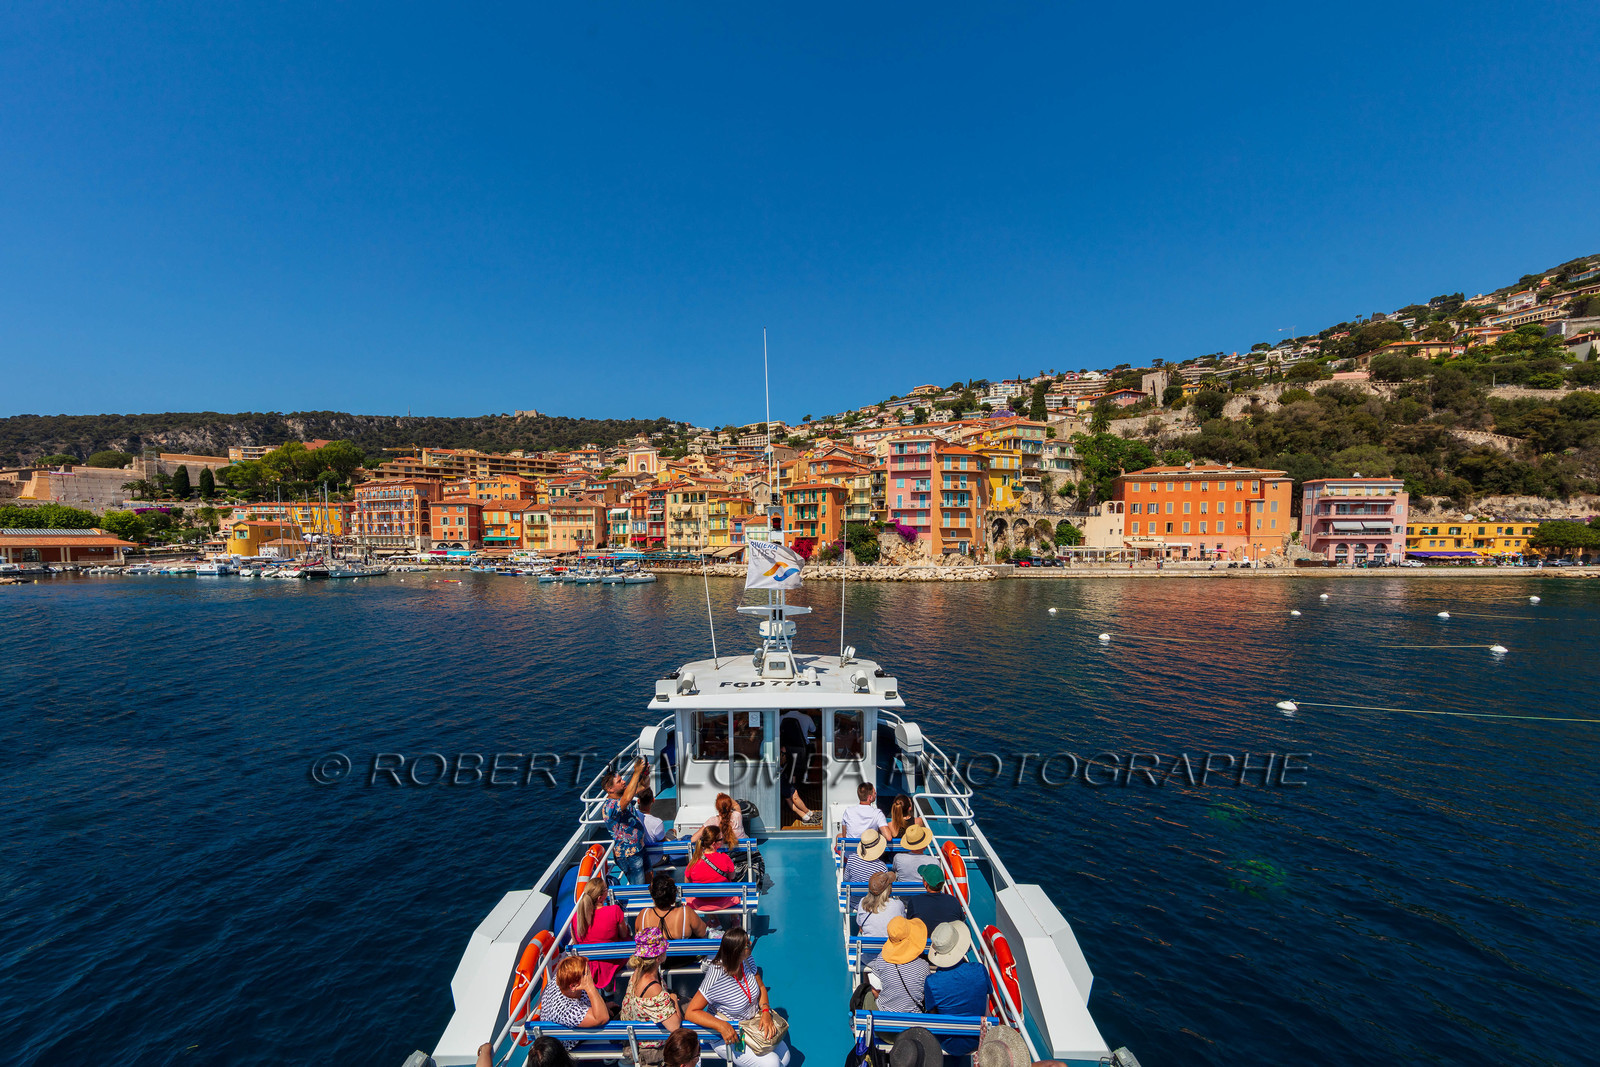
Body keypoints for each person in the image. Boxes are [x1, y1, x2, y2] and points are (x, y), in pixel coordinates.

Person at [683, 925, 790, 1067]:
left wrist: (765, 1011)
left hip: (752, 1024)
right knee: (772, 1063)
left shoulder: (747, 960)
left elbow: (761, 987)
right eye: (747, 944)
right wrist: (722, 1026)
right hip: (729, 1034)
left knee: (785, 1057)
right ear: (736, 952)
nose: (751, 944)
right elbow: (691, 1012)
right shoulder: (715, 976)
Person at [922, 922, 989, 1054]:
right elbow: (986, 1002)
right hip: (977, 1038)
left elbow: (933, 1015)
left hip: (947, 1043)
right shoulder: (980, 970)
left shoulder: (932, 982)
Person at [620, 927, 682, 1061]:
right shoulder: (652, 986)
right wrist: (674, 998)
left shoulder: (639, 971)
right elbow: (675, 1026)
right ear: (658, 958)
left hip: (635, 1030)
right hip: (650, 1043)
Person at [573, 873, 632, 988]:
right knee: (628, 937)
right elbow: (624, 935)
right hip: (611, 960)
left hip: (588, 962)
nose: (608, 890)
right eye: (606, 889)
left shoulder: (577, 917)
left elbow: (576, 942)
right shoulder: (614, 910)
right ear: (600, 898)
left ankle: (607, 989)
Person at [539, 953, 610, 1048]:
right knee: (613, 1024)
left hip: (580, 1013)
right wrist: (589, 987)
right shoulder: (566, 1010)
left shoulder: (563, 977)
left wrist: (603, 1005)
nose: (589, 976)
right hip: (570, 1039)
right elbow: (602, 1018)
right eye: (586, 974)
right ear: (574, 986)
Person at [867, 916, 929, 1012]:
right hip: (914, 1019)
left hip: (883, 1016)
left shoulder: (881, 959)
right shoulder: (923, 967)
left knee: (866, 995)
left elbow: (875, 992)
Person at [603, 758, 650, 884]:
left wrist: (645, 774)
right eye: (619, 781)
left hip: (639, 848)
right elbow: (628, 798)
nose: (623, 782)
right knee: (639, 889)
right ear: (610, 789)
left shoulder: (622, 797)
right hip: (629, 855)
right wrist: (636, 772)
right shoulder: (610, 806)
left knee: (649, 877)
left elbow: (644, 786)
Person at [636, 869, 711, 939]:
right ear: (673, 895)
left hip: (655, 953)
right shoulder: (685, 913)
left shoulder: (643, 915)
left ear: (653, 896)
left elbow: (637, 936)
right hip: (683, 953)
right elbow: (702, 932)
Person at [685, 826, 739, 913]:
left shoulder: (694, 861)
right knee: (734, 891)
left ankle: (714, 921)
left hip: (700, 903)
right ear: (714, 843)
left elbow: (687, 883)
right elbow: (732, 876)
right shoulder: (725, 858)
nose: (723, 840)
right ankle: (735, 919)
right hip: (723, 902)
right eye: (721, 839)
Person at [902, 864, 963, 931]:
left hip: (923, 940)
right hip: (947, 940)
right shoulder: (954, 901)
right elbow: (960, 921)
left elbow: (910, 922)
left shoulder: (914, 901)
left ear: (925, 883)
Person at [855, 869, 905, 937]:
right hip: (891, 946)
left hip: (868, 946)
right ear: (888, 889)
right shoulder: (898, 905)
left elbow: (860, 927)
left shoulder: (863, 902)